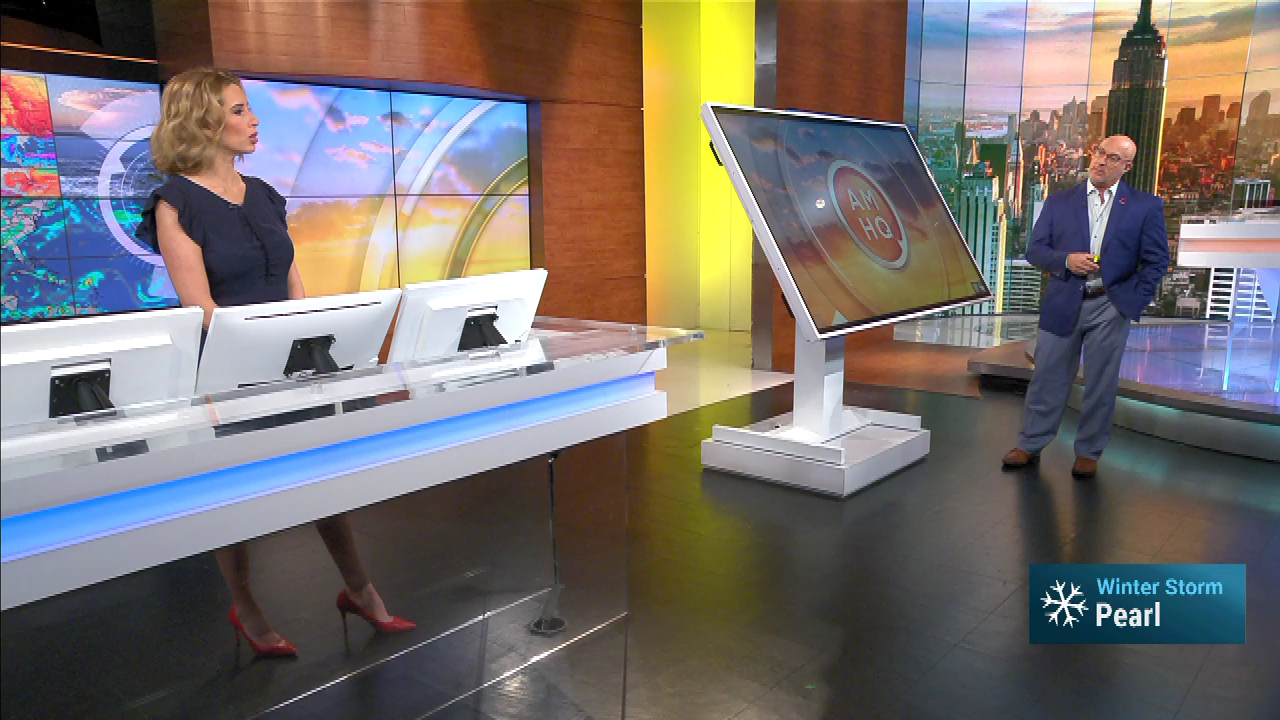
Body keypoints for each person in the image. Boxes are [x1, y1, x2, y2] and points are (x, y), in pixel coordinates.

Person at [137, 68, 414, 657]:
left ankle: (360, 590)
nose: (253, 120)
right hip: (229, 372)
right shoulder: (174, 202)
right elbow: (200, 308)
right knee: (234, 496)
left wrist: (308, 338)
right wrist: (263, 353)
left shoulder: (263, 193)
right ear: (202, 121)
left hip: (292, 365)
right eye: (238, 110)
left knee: (322, 480)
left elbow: (293, 282)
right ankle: (247, 609)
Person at [1001, 134, 1169, 479]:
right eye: (1099, 152)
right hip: (1063, 299)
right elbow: (1036, 251)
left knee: (1100, 384)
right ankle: (1030, 443)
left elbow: (1156, 261)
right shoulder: (1059, 201)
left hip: (1110, 304)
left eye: (1113, 157)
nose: (1101, 161)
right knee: (1047, 377)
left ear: (1127, 166)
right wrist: (1066, 261)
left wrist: (1129, 301)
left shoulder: (1145, 206)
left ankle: (1089, 452)